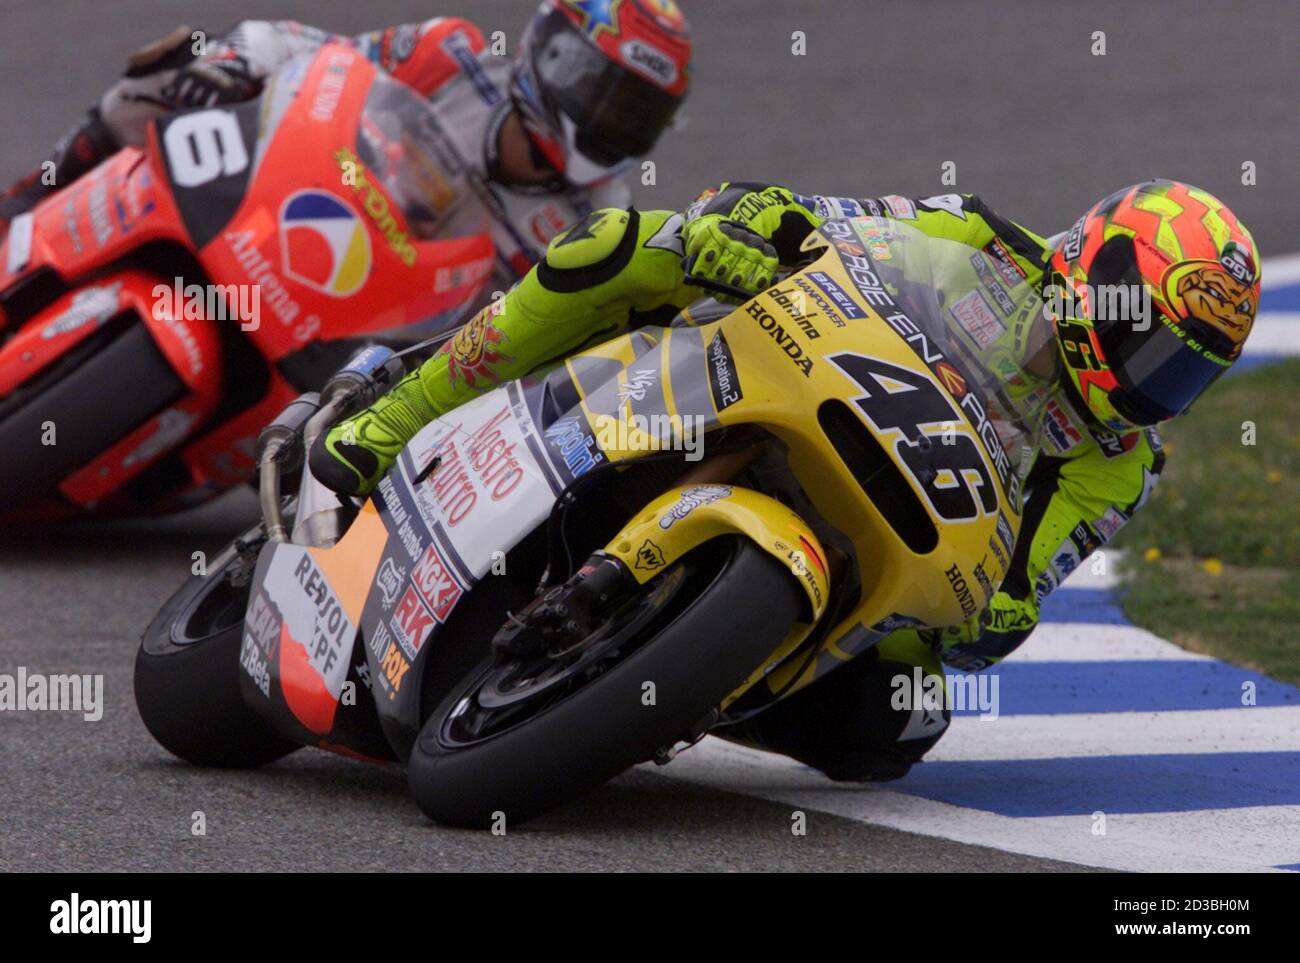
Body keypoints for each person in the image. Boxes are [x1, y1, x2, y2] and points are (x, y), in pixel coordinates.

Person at [308, 178, 1260, 780]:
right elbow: (845, 228)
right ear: (1098, 273)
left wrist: (1000, 614)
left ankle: (687, 681)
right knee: (633, 242)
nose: (1149, 381)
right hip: (802, 372)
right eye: (1148, 342)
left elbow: (1027, 582)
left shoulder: (1123, 465)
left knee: (905, 721)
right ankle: (394, 414)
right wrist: (764, 218)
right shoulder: (979, 240)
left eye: (1182, 369)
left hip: (901, 524)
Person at [0, 2, 692, 310]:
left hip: (375, 336)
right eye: (605, 94)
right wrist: (234, 60)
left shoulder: (600, 219)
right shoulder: (450, 56)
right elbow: (318, 58)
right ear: (553, 54)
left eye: (636, 115)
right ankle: (28, 202)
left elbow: (555, 341)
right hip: (293, 205)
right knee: (169, 72)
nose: (609, 122)